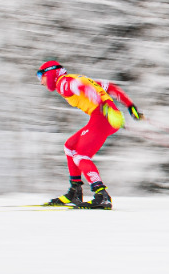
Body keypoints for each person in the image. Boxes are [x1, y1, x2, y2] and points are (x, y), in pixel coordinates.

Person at [37, 60, 143, 209]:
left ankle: (101, 195)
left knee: (81, 155)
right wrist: (131, 106)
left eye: (40, 76)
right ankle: (75, 191)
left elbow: (80, 87)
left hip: (103, 116)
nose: (40, 81)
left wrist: (100, 103)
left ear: (50, 73)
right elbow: (111, 87)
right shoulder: (77, 77)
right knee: (70, 146)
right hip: (109, 116)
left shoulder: (63, 83)